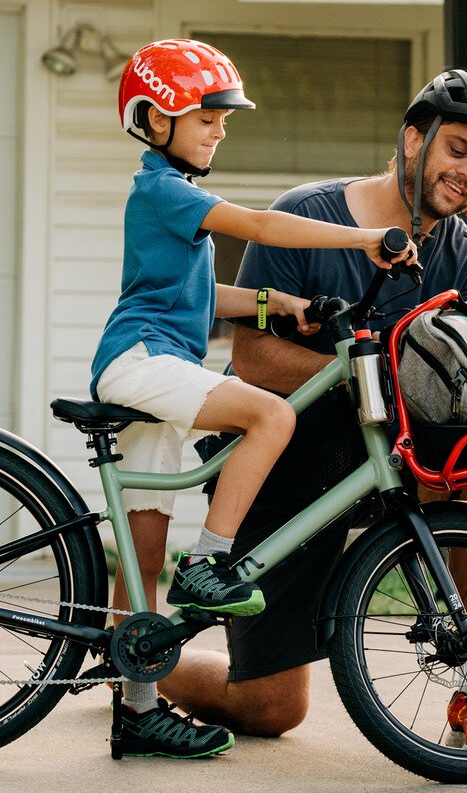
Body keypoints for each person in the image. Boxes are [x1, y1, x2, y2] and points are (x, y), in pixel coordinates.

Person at [155, 68, 467, 748]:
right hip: (290, 452)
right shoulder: (308, 214)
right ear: (414, 140)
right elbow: (254, 360)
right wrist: (373, 378)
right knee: (272, 711)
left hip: (400, 452)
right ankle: (140, 664)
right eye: (458, 150)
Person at [92, 39, 413, 760]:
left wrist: (278, 303)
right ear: (154, 121)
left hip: (159, 366)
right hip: (141, 363)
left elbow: (205, 299)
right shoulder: (165, 191)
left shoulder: (172, 204)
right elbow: (263, 227)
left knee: (141, 557)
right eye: (205, 117)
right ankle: (211, 564)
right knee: (271, 411)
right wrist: (366, 240)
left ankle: (137, 707)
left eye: (222, 119)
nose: (219, 129)